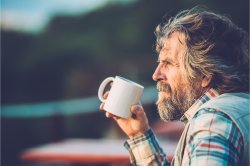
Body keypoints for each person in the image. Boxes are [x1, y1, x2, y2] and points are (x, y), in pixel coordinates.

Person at [100, 8, 249, 166]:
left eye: (168, 63)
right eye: (160, 63)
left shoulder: (211, 120)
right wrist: (139, 134)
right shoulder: (240, 105)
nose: (156, 75)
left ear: (204, 75)